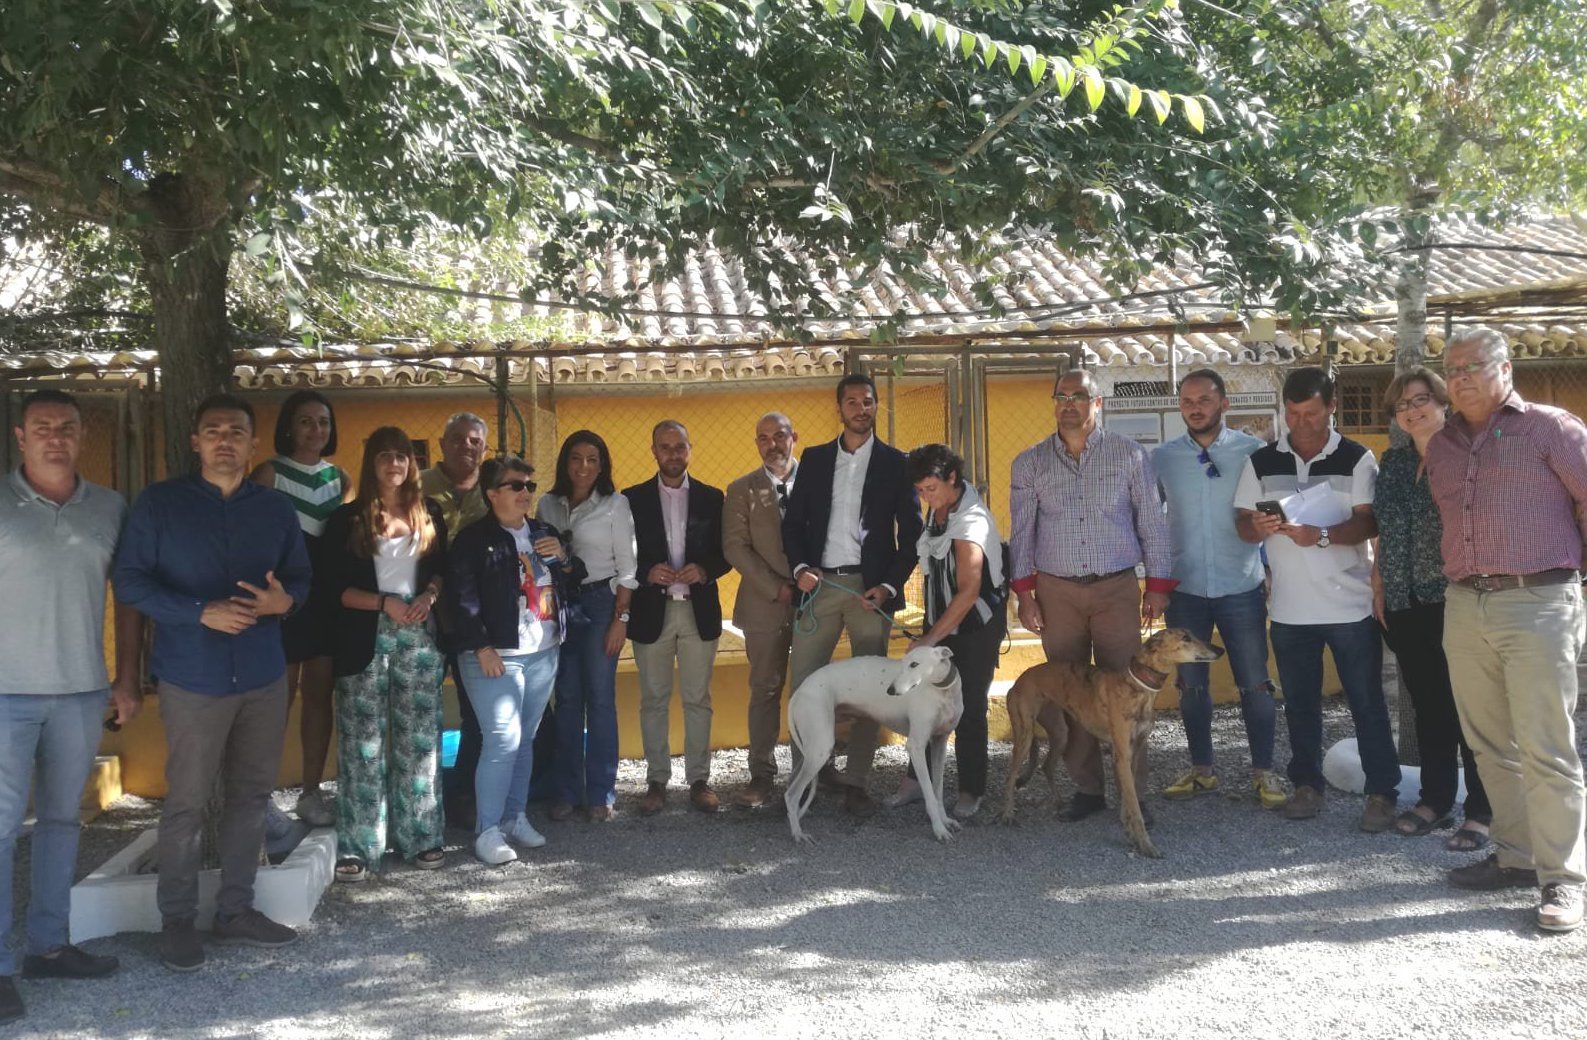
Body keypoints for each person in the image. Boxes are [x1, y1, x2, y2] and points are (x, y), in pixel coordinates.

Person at [114, 393, 311, 972]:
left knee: (251, 797)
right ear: (196, 442)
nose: (225, 440)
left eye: (237, 431)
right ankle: (176, 920)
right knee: (186, 803)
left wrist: (285, 601)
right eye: (213, 430)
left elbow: (301, 578)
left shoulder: (274, 510)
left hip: (261, 674)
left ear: (253, 444)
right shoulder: (160, 505)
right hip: (193, 676)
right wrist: (198, 610)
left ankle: (235, 912)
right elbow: (129, 582)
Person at [1427, 329, 1587, 933]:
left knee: (1547, 746)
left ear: (1505, 367)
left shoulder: (1551, 427)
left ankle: (1565, 880)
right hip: (1466, 603)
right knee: (1490, 743)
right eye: (1453, 368)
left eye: (1475, 365)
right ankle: (1517, 857)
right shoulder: (1441, 444)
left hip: (1538, 599)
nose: (1462, 376)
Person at [0, 390, 142, 1023]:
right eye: (42, 428)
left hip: (83, 689)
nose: (54, 437)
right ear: (19, 436)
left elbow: (132, 599)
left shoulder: (109, 507)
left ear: (81, 436)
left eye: (66, 427)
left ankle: (48, 947)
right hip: (5, 693)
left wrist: (127, 677)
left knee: (61, 823)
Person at [1233, 367, 1400, 832]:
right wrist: (1257, 528)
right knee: (1301, 704)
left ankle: (1382, 794)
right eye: (1292, 413)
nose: (1301, 422)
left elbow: (1370, 523)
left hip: (1351, 607)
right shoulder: (1262, 461)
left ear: (1331, 409)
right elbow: (1242, 525)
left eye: (1310, 413)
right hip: (1290, 610)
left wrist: (1322, 536)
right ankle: (1307, 786)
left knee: (1366, 703)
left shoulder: (1357, 458)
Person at [1009, 368, 1173, 823]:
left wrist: (1157, 586)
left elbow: (1152, 523)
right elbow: (1021, 533)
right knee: (1071, 692)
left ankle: (1133, 796)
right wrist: (1025, 593)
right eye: (1061, 395)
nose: (1069, 404)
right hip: (1056, 592)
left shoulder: (1131, 457)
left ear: (1097, 404)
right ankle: (1087, 788)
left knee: (1129, 688)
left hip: (1117, 589)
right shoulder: (1030, 463)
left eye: (1080, 396)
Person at [782, 374, 921, 816]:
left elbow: (913, 534)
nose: (861, 408)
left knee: (873, 688)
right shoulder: (816, 459)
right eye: (852, 402)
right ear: (839, 408)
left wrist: (888, 585)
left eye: (868, 401)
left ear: (876, 406)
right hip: (820, 587)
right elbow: (793, 525)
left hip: (870, 592)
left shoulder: (897, 463)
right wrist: (801, 569)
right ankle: (804, 778)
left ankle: (858, 781)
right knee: (803, 684)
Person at [320, 427, 449, 881]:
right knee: (362, 745)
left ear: (411, 463)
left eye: (402, 456)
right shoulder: (346, 521)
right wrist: (383, 603)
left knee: (419, 743)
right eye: (384, 456)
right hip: (364, 640)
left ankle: (422, 837)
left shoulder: (429, 514)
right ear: (371, 462)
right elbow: (333, 590)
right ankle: (359, 845)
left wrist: (428, 596)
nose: (394, 464)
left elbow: (440, 572)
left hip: (418, 638)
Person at [1152, 370, 1285, 810]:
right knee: (1191, 685)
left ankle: (1264, 773)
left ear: (1224, 403)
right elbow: (1147, 520)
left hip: (1240, 586)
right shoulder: (1162, 458)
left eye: (1204, 400)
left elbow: (1269, 517)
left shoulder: (1253, 453)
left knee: (1255, 684)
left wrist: (1268, 568)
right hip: (1185, 588)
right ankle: (1202, 770)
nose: (1195, 407)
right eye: (1187, 400)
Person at [1372, 367, 1491, 852]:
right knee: (1428, 707)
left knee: (1471, 707)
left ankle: (1482, 810)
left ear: (1444, 403)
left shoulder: (1466, 456)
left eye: (1421, 399)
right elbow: (1385, 526)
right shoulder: (1395, 462)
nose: (1412, 410)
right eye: (1402, 405)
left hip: (1455, 598)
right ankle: (1436, 799)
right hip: (1403, 602)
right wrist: (1378, 580)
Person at [446, 455, 586, 864]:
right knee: (502, 740)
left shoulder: (544, 532)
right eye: (516, 485)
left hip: (542, 651)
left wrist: (562, 558)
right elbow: (462, 599)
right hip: (495, 656)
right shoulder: (473, 540)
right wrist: (482, 646)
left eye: (529, 484)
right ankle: (486, 830)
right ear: (492, 494)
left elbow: (572, 579)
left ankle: (513, 816)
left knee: (525, 739)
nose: (526, 492)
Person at [249, 389, 351, 828]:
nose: (316, 430)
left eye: (323, 422)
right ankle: (261, 796)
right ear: (289, 425)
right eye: (306, 421)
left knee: (318, 697)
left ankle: (311, 793)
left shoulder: (341, 478)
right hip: (284, 600)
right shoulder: (269, 473)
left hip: (327, 599)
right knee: (278, 699)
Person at [887, 444, 1006, 819]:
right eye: (920, 491)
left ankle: (972, 789)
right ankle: (915, 782)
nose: (926, 497)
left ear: (952, 478)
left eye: (931, 488)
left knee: (967, 705)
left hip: (974, 625)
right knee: (923, 700)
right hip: (942, 620)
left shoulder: (971, 520)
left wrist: (930, 639)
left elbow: (969, 591)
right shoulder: (939, 508)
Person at [623, 421, 730, 815]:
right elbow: (623, 554)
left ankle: (699, 780)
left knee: (697, 698)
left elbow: (727, 551)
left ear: (690, 448)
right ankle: (656, 781)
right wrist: (646, 570)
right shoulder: (631, 500)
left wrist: (705, 570)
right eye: (664, 447)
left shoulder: (712, 497)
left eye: (679, 446)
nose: (672, 454)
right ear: (653, 451)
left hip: (698, 611)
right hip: (653, 610)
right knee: (653, 698)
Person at [536, 430, 637, 822]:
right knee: (566, 698)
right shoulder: (548, 504)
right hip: (560, 605)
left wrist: (620, 620)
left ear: (602, 464)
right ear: (565, 463)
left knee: (598, 698)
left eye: (592, 459)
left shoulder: (615, 504)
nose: (583, 467)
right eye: (576, 458)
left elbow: (628, 570)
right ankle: (565, 791)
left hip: (601, 604)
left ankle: (600, 792)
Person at [723, 413, 801, 808]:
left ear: (794, 438)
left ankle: (812, 771)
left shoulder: (818, 483)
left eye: (780, 436)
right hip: (764, 604)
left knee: (812, 688)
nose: (772, 445)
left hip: (815, 604)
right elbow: (735, 547)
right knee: (765, 689)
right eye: (763, 438)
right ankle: (762, 775)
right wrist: (778, 587)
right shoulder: (741, 490)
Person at [421, 413, 490, 827]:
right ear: (442, 443)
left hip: (472, 618)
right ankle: (422, 797)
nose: (467, 447)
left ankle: (465, 793)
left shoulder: (494, 488)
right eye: (459, 440)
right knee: (423, 711)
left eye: (475, 441)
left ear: (485, 447)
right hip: (423, 614)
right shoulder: (419, 486)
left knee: (476, 713)